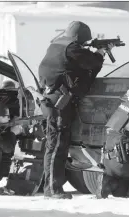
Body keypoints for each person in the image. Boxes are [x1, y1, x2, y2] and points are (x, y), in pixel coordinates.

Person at [38, 21, 114, 199]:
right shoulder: (72, 49)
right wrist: (101, 52)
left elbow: (83, 67)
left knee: (58, 146)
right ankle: (52, 189)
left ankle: (53, 187)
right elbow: (91, 62)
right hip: (59, 104)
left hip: (53, 101)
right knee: (56, 146)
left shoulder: (56, 46)